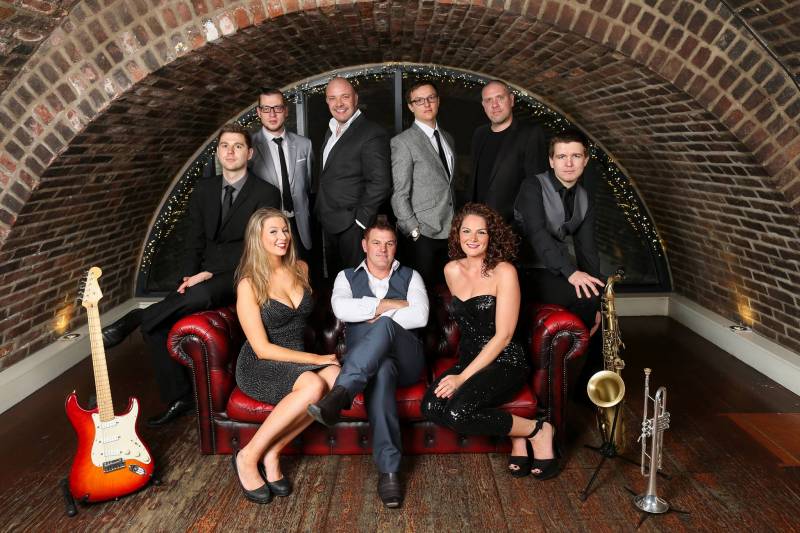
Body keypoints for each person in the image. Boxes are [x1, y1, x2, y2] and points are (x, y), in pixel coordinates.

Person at [101, 124, 281, 427]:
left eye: (238, 146)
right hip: (203, 274)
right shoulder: (204, 189)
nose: (230, 152)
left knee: (204, 292)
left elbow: (259, 245)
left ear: (250, 153)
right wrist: (189, 276)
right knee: (158, 326)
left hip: (245, 272)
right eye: (224, 146)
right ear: (218, 152)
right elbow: (193, 238)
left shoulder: (266, 193)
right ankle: (180, 397)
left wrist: (209, 273)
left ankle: (138, 316)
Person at [421, 203, 560, 480]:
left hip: (505, 360)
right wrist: (463, 372)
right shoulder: (451, 270)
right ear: (457, 234)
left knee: (458, 414)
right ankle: (519, 434)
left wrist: (462, 379)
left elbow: (504, 336)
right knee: (431, 407)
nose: (472, 238)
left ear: (491, 236)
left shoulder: (504, 271)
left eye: (481, 232)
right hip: (469, 359)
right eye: (466, 231)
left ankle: (538, 431)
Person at [306, 220, 428, 508]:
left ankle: (342, 393)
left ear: (396, 247)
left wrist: (374, 314)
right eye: (376, 243)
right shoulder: (346, 277)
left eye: (389, 243)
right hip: (374, 368)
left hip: (408, 361)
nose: (382, 249)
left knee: (384, 327)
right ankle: (389, 472)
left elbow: (420, 316)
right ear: (364, 245)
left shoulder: (412, 276)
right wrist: (392, 305)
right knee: (381, 371)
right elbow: (341, 309)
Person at [231, 208, 341, 504]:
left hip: (296, 359)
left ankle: (273, 452)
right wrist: (317, 359)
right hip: (260, 364)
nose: (283, 237)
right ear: (258, 238)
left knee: (336, 377)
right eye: (274, 232)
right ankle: (247, 456)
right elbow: (262, 348)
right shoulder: (249, 283)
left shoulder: (301, 268)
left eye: (285, 230)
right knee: (314, 384)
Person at [513, 129, 603, 335]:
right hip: (525, 269)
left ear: (585, 160)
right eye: (562, 156)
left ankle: (587, 353)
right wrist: (571, 273)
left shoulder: (585, 198)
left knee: (596, 299)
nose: (569, 163)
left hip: (557, 269)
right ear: (551, 161)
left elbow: (587, 250)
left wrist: (597, 294)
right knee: (585, 299)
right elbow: (537, 233)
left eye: (576, 156)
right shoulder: (532, 186)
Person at [314, 76, 392, 273]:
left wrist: (360, 222)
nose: (339, 103)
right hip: (329, 221)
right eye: (332, 98)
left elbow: (381, 183)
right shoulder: (331, 130)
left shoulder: (371, 132)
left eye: (345, 97)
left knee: (357, 282)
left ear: (356, 98)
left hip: (353, 226)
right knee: (337, 282)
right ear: (327, 101)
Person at [390, 80, 455, 287]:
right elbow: (399, 194)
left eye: (431, 98)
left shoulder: (448, 138)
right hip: (423, 234)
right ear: (411, 106)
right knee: (422, 292)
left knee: (448, 291)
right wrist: (414, 230)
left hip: (451, 231)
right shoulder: (403, 142)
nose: (426, 104)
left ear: (438, 101)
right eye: (419, 100)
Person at [463, 80, 547, 223]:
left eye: (500, 98)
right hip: (478, 223)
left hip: (510, 226)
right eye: (489, 100)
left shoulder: (530, 134)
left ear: (511, 100)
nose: (494, 105)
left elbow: (537, 186)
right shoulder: (479, 133)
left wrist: (521, 224)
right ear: (483, 105)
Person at [249, 87, 314, 259]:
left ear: (285, 110)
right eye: (266, 109)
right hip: (267, 230)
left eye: (277, 108)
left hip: (299, 226)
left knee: (303, 271)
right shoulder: (250, 148)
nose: (272, 114)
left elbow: (308, 185)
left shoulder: (304, 145)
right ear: (259, 112)